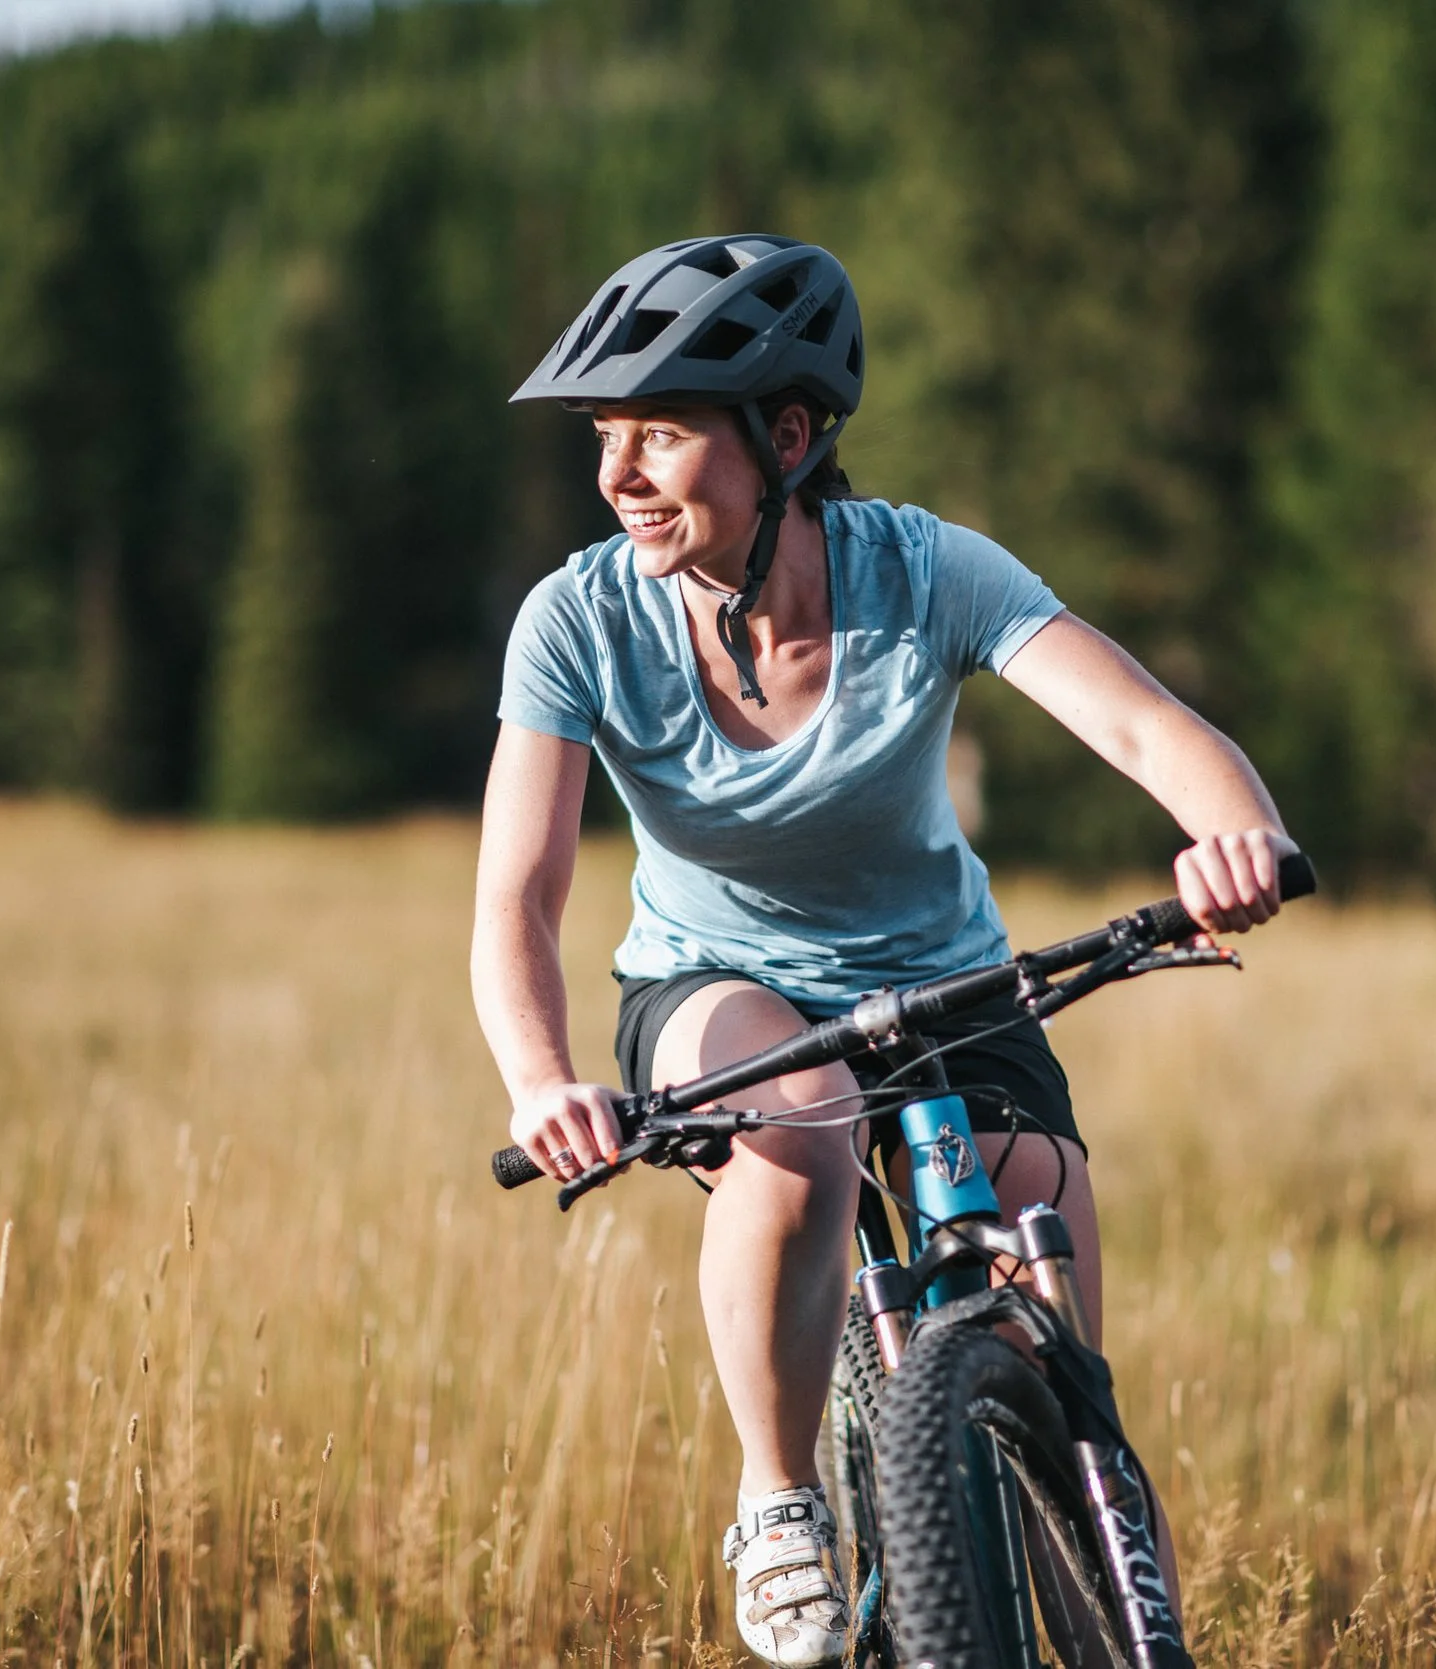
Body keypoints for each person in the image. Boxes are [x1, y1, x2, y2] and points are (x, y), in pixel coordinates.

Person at [471, 234, 1296, 1667]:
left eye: (659, 433)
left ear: (786, 438)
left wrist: (1234, 836)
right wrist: (542, 1080)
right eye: (608, 439)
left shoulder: (925, 573)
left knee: (1058, 1322)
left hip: (944, 983)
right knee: (799, 1133)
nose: (618, 476)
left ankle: (1113, 1597)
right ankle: (779, 1496)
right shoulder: (580, 619)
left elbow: (1144, 726)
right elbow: (519, 896)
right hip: (717, 996)